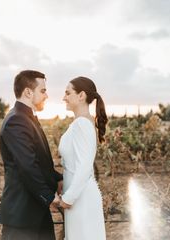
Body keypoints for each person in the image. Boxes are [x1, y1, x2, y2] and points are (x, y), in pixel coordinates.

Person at [0, 70, 63, 240]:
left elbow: (40, 161)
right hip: (22, 216)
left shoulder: (26, 117)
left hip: (35, 211)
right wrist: (49, 197)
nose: (46, 95)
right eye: (43, 91)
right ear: (28, 92)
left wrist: (58, 179)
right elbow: (27, 165)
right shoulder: (16, 120)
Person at [58, 76, 107, 240]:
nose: (64, 97)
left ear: (81, 96)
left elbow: (85, 167)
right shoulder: (81, 123)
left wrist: (68, 199)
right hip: (77, 196)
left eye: (67, 93)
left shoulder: (82, 125)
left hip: (81, 198)